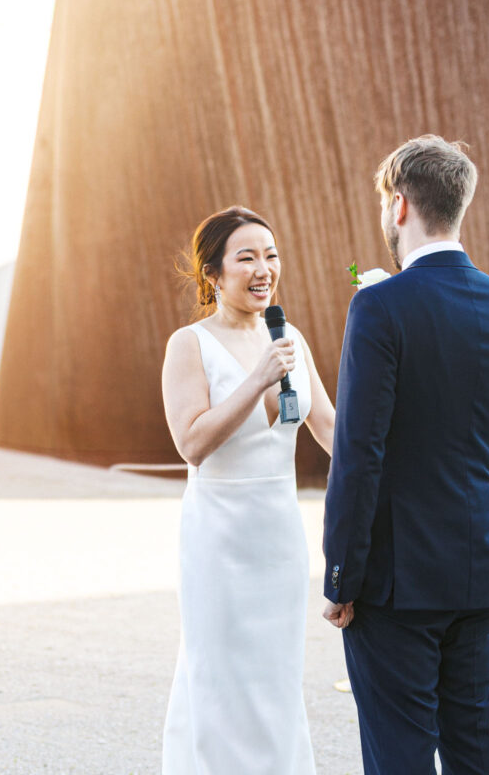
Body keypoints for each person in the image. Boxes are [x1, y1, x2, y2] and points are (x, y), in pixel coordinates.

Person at [323, 135, 489, 775]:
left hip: (396, 579)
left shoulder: (379, 306)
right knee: (473, 741)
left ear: (397, 207)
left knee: (400, 753)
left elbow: (357, 455)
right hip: (480, 566)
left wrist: (343, 574)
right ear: (459, 204)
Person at [161, 205, 335, 775]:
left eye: (271, 255)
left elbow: (331, 428)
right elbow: (192, 443)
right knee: (220, 673)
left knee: (275, 676)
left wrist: (402, 466)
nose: (264, 269)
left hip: (279, 537)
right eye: (247, 257)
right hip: (219, 536)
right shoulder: (189, 344)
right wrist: (258, 378)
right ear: (214, 274)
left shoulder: (290, 338)